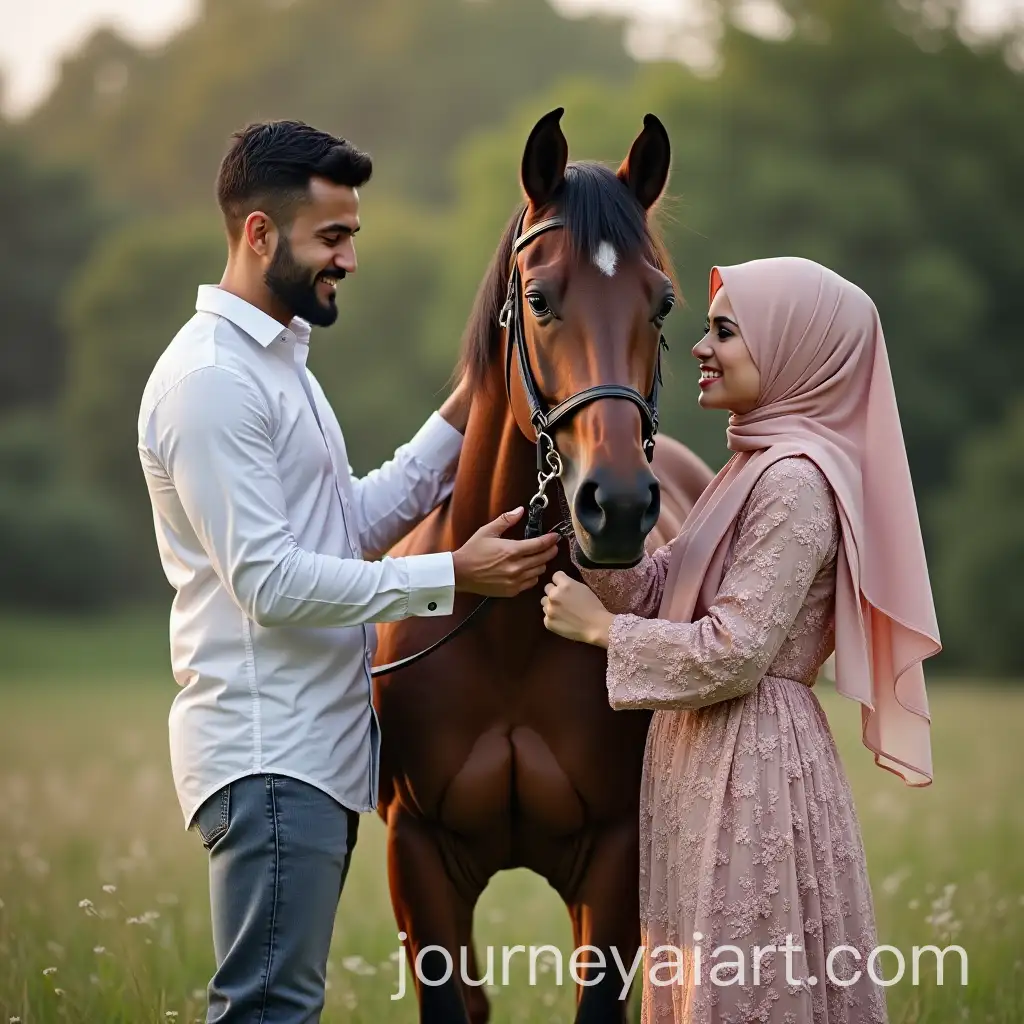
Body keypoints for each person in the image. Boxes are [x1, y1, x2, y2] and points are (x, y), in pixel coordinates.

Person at [136, 119, 559, 1023]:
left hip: (311, 759)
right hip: (270, 757)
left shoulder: (280, 366)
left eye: (352, 236)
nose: (349, 259)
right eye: (333, 237)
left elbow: (351, 526)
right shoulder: (212, 383)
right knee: (269, 1010)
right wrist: (456, 574)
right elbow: (274, 584)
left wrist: (481, 390)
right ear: (260, 234)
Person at [540, 256, 941, 1023]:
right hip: (704, 753)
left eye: (724, 331)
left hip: (752, 759)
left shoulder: (795, 481)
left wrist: (605, 633)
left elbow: (736, 650)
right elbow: (662, 591)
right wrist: (589, 519)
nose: (698, 347)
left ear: (796, 348)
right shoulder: (747, 469)